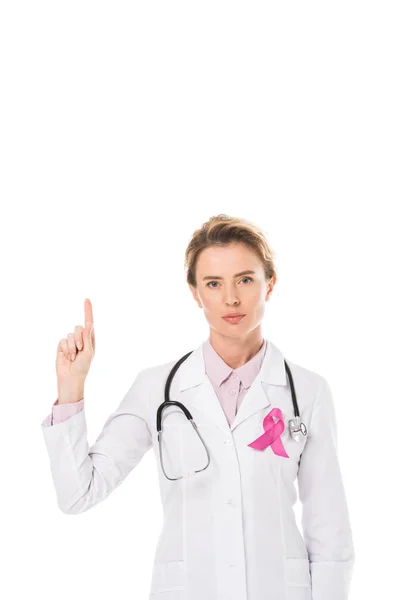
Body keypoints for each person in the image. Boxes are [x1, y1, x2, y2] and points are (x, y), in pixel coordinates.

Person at [41, 213, 355, 600]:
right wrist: (71, 387)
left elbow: (330, 534)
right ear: (195, 293)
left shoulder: (308, 391)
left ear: (269, 284)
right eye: (213, 283)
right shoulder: (156, 387)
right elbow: (78, 494)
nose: (231, 298)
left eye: (245, 279)